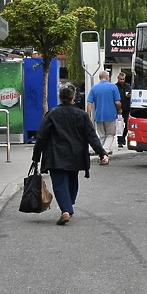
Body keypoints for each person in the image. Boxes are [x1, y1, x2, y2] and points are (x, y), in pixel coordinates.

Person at [32, 84, 109, 225]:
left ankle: (66, 210)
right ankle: (68, 206)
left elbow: (42, 136)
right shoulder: (82, 115)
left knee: (60, 183)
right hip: (76, 155)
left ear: (60, 98)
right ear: (73, 98)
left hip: (56, 155)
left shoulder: (52, 114)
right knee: (72, 182)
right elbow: (91, 135)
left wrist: (36, 156)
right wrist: (101, 153)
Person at [86, 71, 122, 154]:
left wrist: (89, 115)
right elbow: (117, 102)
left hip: (98, 116)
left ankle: (101, 151)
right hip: (110, 115)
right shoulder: (113, 87)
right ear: (106, 77)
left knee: (102, 135)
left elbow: (89, 103)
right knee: (110, 134)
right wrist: (119, 109)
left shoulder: (94, 88)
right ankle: (105, 150)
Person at [115, 72, 132, 148]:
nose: (122, 80)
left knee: (127, 124)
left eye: (123, 79)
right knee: (119, 125)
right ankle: (120, 141)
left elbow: (131, 94)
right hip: (118, 108)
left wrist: (129, 95)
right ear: (118, 79)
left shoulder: (128, 86)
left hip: (127, 108)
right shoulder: (115, 87)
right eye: (120, 79)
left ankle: (123, 136)